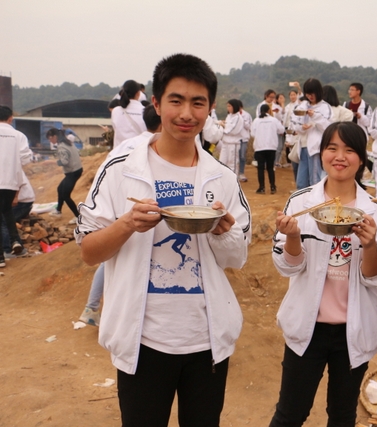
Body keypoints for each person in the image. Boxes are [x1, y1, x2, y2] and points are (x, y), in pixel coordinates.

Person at [74, 53, 251, 427]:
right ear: (156, 104)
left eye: (198, 103)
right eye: (176, 100)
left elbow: (237, 258)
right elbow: (89, 251)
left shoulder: (221, 177)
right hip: (143, 342)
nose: (186, 113)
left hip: (206, 341)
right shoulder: (121, 169)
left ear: (210, 108)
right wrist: (127, 224)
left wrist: (223, 232)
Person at [269, 121, 377, 427]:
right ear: (321, 153)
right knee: (289, 414)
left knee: (343, 415)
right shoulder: (301, 202)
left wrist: (370, 245)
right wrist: (292, 237)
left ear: (361, 159)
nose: (340, 156)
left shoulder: (374, 211)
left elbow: (374, 278)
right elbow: (288, 266)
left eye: (349, 150)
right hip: (308, 329)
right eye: (332, 148)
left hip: (353, 330)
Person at [79, 105, 163, 327]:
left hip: (119, 211)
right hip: (133, 214)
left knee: (110, 260)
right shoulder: (149, 150)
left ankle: (91, 307)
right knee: (115, 259)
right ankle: (93, 307)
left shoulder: (125, 144)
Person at [0, 105, 31, 265]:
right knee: (7, 211)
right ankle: (15, 241)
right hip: (11, 183)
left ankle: (1, 257)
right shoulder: (18, 135)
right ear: (10, 119)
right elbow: (26, 159)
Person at [290, 78, 333, 189]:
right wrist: (302, 127)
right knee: (301, 183)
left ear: (318, 92)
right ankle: (304, 200)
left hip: (316, 148)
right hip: (303, 146)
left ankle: (317, 199)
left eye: (312, 93)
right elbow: (294, 123)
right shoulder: (302, 106)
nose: (310, 96)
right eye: (308, 94)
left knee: (315, 181)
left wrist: (314, 116)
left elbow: (328, 127)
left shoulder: (325, 107)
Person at [47, 129, 83, 224]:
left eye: (50, 138)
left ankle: (78, 217)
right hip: (77, 170)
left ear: (54, 136)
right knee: (60, 189)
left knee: (66, 195)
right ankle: (58, 211)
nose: (50, 141)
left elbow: (64, 161)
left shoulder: (61, 146)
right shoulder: (68, 142)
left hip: (72, 172)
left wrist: (51, 162)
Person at [251, 104, 284, 194]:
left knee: (260, 168)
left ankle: (261, 187)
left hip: (259, 147)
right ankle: (272, 187)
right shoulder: (274, 120)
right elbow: (281, 130)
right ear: (269, 110)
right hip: (271, 147)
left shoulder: (256, 120)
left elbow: (252, 134)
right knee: (270, 167)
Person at [1, 171, 33, 258]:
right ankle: (18, 248)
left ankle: (7, 250)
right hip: (20, 201)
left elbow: (18, 182)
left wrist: (15, 197)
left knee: (4, 222)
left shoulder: (8, 168)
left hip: (22, 202)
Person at [111, 80, 145, 148]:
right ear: (138, 94)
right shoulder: (144, 111)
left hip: (119, 152)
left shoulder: (115, 111)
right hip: (139, 151)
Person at [219, 99, 244, 174]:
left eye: (229, 106)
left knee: (232, 164)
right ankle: (223, 179)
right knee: (222, 162)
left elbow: (233, 130)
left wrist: (223, 126)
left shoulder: (238, 117)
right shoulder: (229, 116)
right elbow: (227, 126)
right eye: (227, 106)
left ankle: (233, 180)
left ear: (234, 106)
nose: (228, 108)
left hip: (233, 144)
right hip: (225, 143)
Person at [283, 89, 301, 179]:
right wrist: (288, 140)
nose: (293, 96)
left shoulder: (305, 120)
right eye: (291, 95)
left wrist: (298, 87)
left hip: (301, 144)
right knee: (295, 165)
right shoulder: (288, 107)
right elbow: (289, 130)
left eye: (294, 95)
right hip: (292, 142)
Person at [238, 100, 252, 182]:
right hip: (235, 139)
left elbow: (249, 127)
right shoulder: (232, 115)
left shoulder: (247, 115)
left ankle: (241, 173)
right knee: (236, 157)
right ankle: (235, 173)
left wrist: (241, 120)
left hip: (244, 138)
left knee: (242, 156)